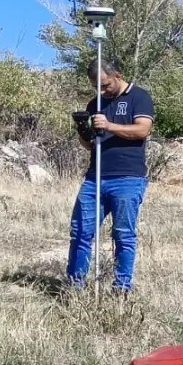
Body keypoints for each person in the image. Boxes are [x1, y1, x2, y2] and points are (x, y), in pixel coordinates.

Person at [67, 57, 154, 294]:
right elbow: (88, 146)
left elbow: (142, 130)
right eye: (97, 87)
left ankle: (121, 288)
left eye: (105, 85)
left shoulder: (139, 97)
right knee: (80, 232)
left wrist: (109, 126)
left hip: (127, 178)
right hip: (94, 178)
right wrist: (83, 130)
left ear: (117, 75)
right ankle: (75, 286)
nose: (102, 91)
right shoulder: (94, 103)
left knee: (123, 234)